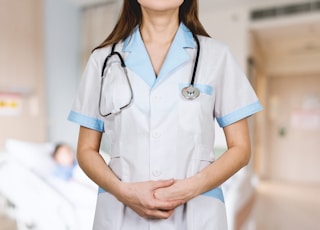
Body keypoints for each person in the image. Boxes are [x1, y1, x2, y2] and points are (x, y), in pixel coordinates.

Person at [68, 0, 263, 229]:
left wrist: (190, 187)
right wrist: (124, 192)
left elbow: (240, 149)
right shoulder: (102, 61)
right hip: (121, 215)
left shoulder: (216, 56)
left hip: (197, 214)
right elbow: (86, 150)